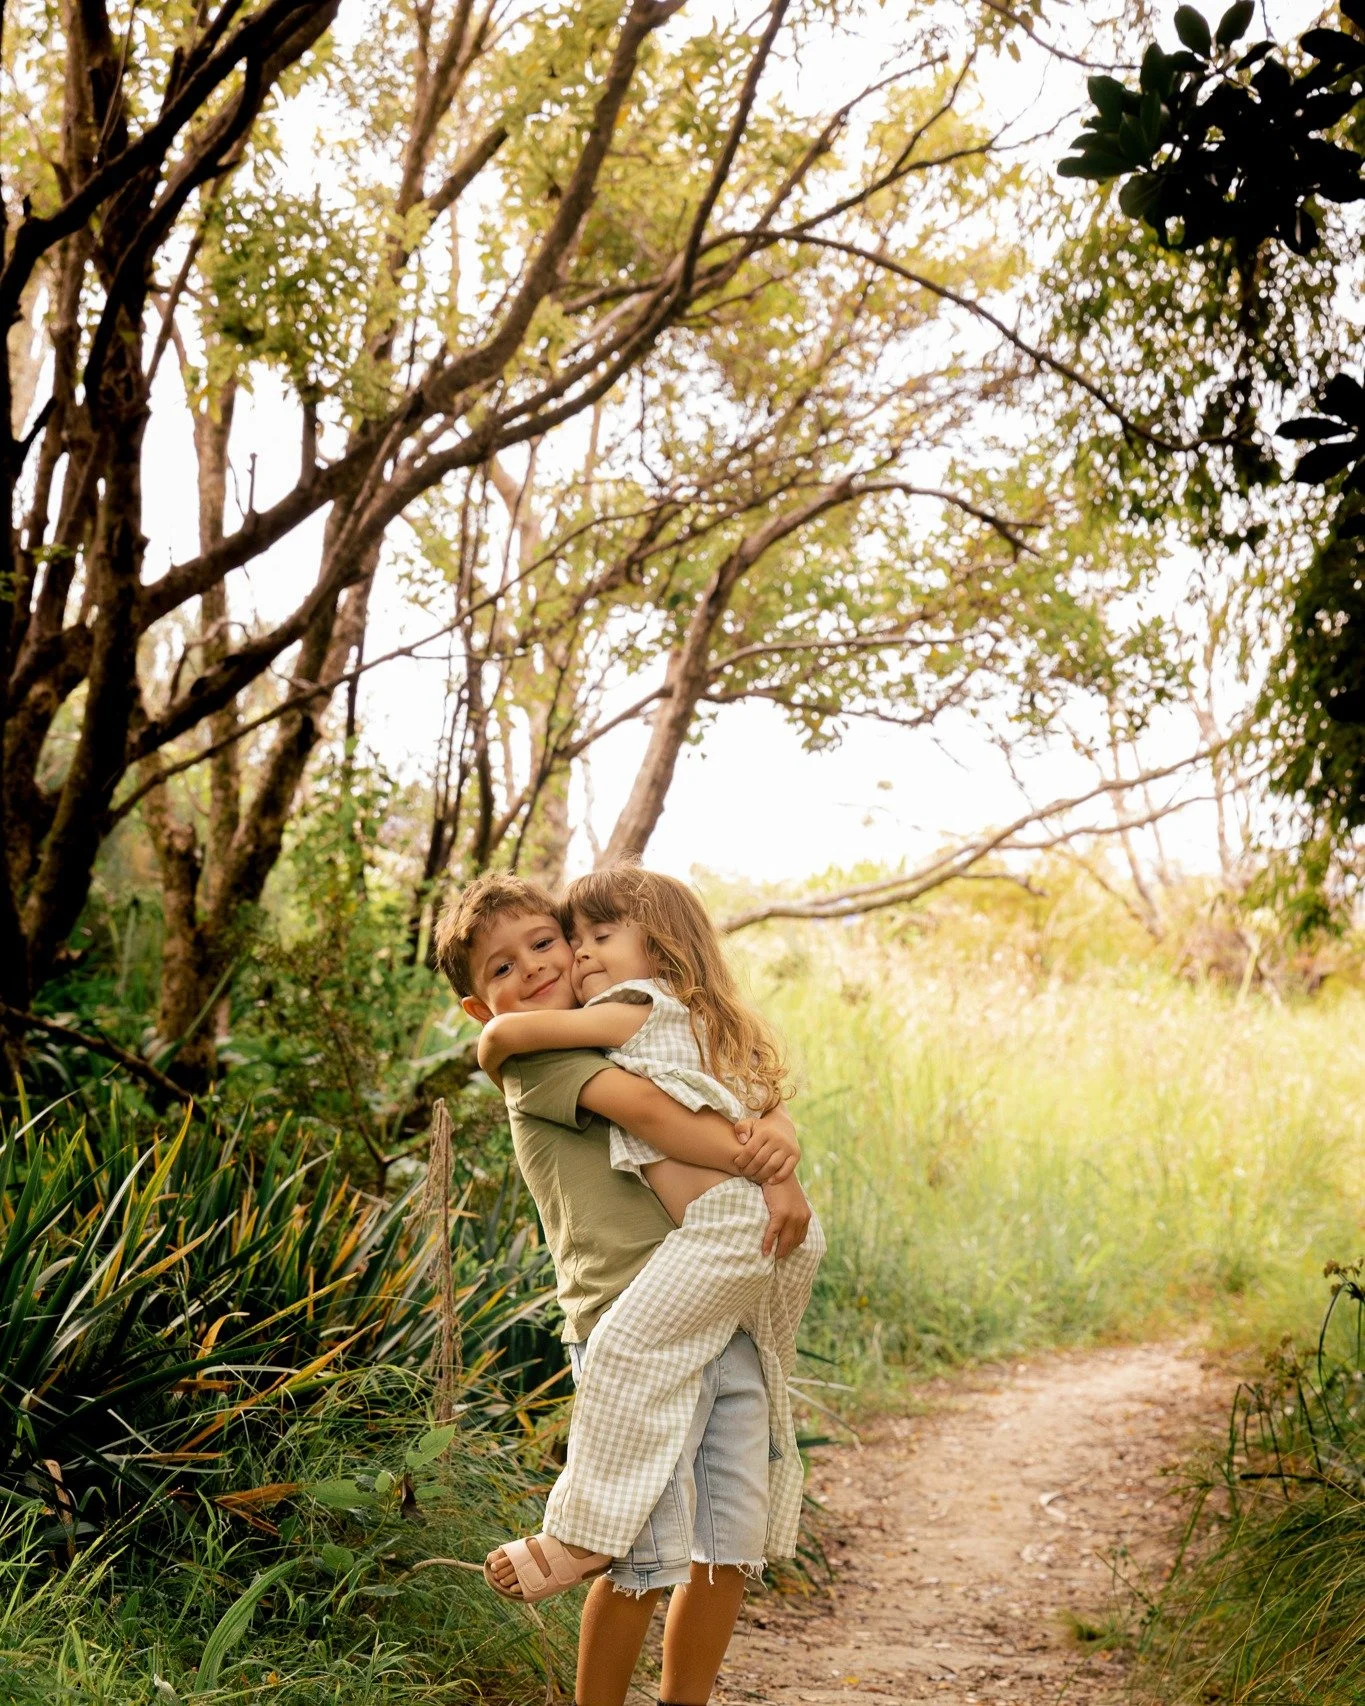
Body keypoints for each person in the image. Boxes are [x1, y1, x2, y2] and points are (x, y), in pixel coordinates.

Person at [433, 871, 813, 1706]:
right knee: (639, 1552)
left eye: (545, 943)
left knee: (724, 1550)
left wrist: (779, 1157)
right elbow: (662, 1119)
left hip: (724, 1317)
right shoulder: (544, 1059)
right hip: (628, 1323)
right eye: (501, 969)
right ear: (478, 1006)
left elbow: (750, 1094)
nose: (533, 969)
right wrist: (495, 1041)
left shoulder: (644, 1032)